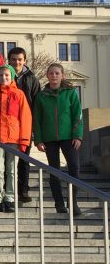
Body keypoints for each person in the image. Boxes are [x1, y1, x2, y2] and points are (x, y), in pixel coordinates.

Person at [33, 63, 83, 216]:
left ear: (62, 76)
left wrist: (77, 135)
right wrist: (38, 140)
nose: (54, 76)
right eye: (51, 73)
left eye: (57, 73)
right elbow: (37, 120)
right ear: (47, 76)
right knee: (54, 171)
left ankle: (73, 202)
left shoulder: (71, 93)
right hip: (49, 138)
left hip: (69, 137)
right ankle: (59, 203)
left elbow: (77, 115)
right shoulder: (41, 96)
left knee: (74, 167)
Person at [0, 65, 32, 213]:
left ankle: (10, 198)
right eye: (0, 75)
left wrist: (24, 140)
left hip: (14, 138)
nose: (3, 78)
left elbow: (25, 118)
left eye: (6, 75)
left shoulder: (19, 94)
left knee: (11, 170)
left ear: (12, 77)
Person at [8, 47, 40, 203]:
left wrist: (34, 127)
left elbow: (36, 103)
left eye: (19, 59)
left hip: (25, 125)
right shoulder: (5, 76)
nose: (16, 62)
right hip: (8, 125)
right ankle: (9, 192)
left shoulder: (32, 79)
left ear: (25, 61)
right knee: (7, 161)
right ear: (9, 60)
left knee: (24, 160)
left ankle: (23, 191)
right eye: (13, 59)